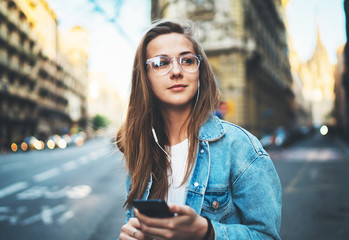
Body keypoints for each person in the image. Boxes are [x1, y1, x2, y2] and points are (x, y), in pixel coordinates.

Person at [117, 19, 281, 240]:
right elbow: (134, 223)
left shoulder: (239, 146)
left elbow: (267, 236)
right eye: (161, 63)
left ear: (199, 71)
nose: (176, 71)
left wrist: (207, 232)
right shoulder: (142, 150)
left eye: (187, 60)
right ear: (144, 77)